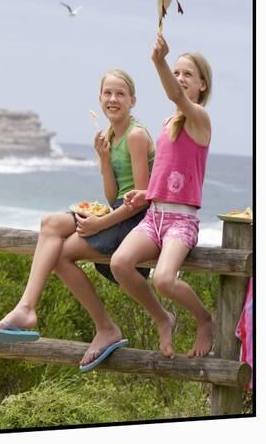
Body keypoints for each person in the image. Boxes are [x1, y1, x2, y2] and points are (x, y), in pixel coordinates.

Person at [0, 69, 155, 370]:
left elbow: (140, 198)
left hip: (136, 221)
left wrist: (100, 224)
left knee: (62, 254)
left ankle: (105, 328)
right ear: (100, 98)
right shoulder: (110, 136)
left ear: (133, 100)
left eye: (120, 94)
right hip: (116, 211)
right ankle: (25, 308)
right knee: (50, 223)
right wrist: (103, 159)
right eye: (107, 93)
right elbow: (113, 192)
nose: (113, 99)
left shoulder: (136, 135)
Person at [109, 33, 214, 359]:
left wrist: (159, 60)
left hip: (181, 221)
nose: (180, 78)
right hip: (155, 215)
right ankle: (162, 318)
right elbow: (167, 174)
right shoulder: (169, 122)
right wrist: (145, 192)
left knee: (165, 280)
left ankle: (204, 319)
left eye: (187, 74)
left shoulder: (199, 118)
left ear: (202, 86)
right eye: (177, 71)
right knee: (120, 264)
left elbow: (174, 94)